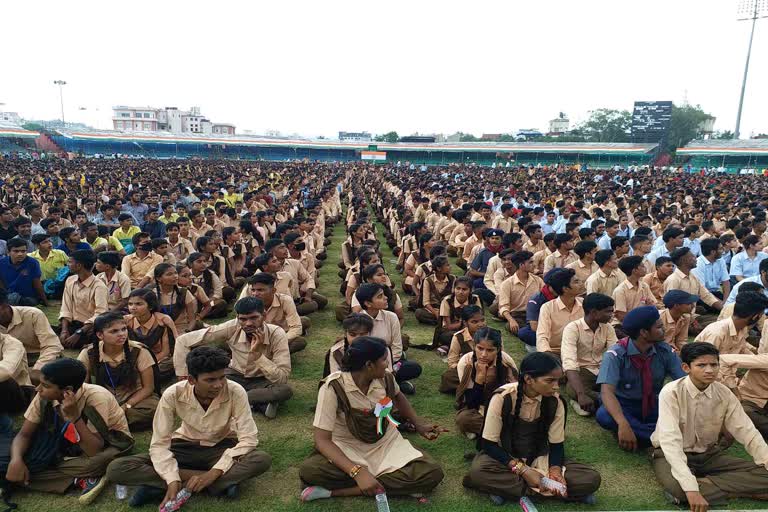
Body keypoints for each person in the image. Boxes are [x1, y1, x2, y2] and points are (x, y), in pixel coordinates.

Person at [106, 346, 272, 507]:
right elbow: (159, 444)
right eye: (210, 380)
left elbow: (248, 439)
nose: (219, 385)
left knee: (260, 459)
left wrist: (214, 472)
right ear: (192, 380)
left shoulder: (235, 391)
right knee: (117, 468)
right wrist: (172, 479)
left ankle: (157, 488)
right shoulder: (173, 394)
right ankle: (219, 485)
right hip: (184, 446)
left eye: (222, 377)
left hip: (221, 447)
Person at [299, 336, 445, 502]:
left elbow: (399, 397)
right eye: (384, 360)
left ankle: (338, 492)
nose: (388, 365)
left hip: (385, 445)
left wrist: (418, 424)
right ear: (369, 365)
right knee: (310, 471)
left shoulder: (386, 378)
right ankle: (396, 484)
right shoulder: (333, 387)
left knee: (432, 472)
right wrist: (357, 471)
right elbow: (322, 440)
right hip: (348, 448)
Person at [463, 352, 602, 505]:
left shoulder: (556, 402)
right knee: (479, 472)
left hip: (540, 458)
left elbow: (556, 445)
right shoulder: (503, 397)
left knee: (590, 478)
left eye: (558, 381)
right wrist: (523, 470)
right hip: (506, 460)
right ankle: (564, 493)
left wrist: (555, 470)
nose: (556, 387)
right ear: (528, 379)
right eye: (550, 381)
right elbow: (489, 445)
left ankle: (505, 491)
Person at [651, 342, 768, 510]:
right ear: (686, 367)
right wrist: (691, 489)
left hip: (709, 455)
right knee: (681, 490)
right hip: (669, 454)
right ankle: (704, 488)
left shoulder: (724, 393)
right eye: (701, 365)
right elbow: (671, 442)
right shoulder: (671, 392)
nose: (709, 370)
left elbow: (747, 431)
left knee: (765, 473)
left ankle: (706, 485)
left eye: (714, 364)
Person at [2, 358, 133, 503]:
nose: (38, 389)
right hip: (63, 443)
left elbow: (94, 450)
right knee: (15, 460)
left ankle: (71, 475)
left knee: (95, 463)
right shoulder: (43, 396)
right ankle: (79, 479)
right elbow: (24, 434)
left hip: (110, 442)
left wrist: (75, 417)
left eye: (45, 385)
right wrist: (16, 460)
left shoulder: (96, 397)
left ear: (67, 390)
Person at [174, 297, 293, 419]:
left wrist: (257, 355)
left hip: (262, 380)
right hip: (234, 375)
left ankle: (230, 399)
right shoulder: (232, 327)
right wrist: (182, 376)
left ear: (264, 315)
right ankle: (258, 404)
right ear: (237, 318)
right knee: (205, 383)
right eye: (243, 319)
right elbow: (183, 340)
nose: (248, 324)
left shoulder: (277, 334)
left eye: (254, 318)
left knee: (284, 390)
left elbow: (281, 378)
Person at [596, 306, 685, 450]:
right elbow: (607, 392)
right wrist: (623, 424)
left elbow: (683, 382)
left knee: (681, 413)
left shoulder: (665, 350)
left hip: (654, 402)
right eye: (659, 327)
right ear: (644, 332)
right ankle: (658, 437)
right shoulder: (615, 355)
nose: (664, 330)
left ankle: (645, 436)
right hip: (626, 405)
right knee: (604, 415)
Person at [77, 311, 159, 431]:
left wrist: (126, 406)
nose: (122, 334)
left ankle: (107, 422)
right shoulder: (88, 353)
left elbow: (148, 388)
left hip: (133, 400)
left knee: (154, 407)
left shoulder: (139, 351)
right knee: (80, 407)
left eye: (124, 329)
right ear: (100, 335)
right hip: (102, 400)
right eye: (114, 331)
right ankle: (113, 421)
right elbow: (82, 386)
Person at [694, 291, 768, 391]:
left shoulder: (742, 328)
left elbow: (742, 349)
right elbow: (705, 366)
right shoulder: (717, 333)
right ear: (755, 317)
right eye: (761, 315)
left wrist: (757, 360)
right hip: (708, 381)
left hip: (727, 376)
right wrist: (732, 386)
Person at [356, 283, 421, 394]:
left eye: (384, 294)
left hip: (388, 362)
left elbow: (397, 348)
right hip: (367, 365)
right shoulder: (358, 321)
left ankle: (391, 381)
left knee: (414, 368)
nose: (386, 298)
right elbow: (358, 352)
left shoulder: (391, 317)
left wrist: (386, 366)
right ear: (368, 303)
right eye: (380, 296)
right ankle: (392, 385)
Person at [455, 327, 518, 438]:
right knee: (464, 419)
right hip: (478, 408)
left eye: (490, 350)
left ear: (498, 350)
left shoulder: (506, 362)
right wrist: (479, 378)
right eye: (480, 348)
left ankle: (492, 431)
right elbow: (471, 403)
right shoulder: (465, 363)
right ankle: (501, 433)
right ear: (474, 346)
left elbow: (515, 393)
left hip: (501, 407)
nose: (484, 354)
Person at [562, 293, 617, 417]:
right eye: (608, 312)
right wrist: (581, 394)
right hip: (582, 371)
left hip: (602, 369)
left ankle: (599, 400)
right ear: (594, 312)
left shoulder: (608, 328)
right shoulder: (572, 328)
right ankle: (601, 399)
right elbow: (569, 363)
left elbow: (614, 355)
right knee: (572, 388)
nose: (611, 315)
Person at [0, 288, 61, 381]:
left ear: (5, 306)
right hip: (9, 361)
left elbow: (52, 345)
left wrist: (38, 369)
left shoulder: (33, 314)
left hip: (37, 357)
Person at [244, 272, 308, 354]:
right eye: (253, 290)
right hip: (256, 338)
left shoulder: (285, 300)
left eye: (260, 290)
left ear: (273, 290)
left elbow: (296, 328)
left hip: (278, 337)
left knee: (300, 341)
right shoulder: (248, 303)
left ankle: (270, 354)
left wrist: (278, 341)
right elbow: (241, 327)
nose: (255, 294)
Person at [58, 249, 108, 349]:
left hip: (88, 328)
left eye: (70, 262)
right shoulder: (70, 280)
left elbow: (100, 313)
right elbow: (65, 307)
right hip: (72, 325)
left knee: (80, 342)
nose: (68, 264)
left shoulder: (99, 286)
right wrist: (64, 330)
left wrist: (79, 333)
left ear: (79, 265)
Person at [124, 288, 177, 380]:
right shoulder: (126, 321)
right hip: (135, 359)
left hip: (159, 359)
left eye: (139, 304)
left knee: (171, 363)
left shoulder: (163, 321)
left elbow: (166, 351)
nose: (133, 307)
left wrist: (147, 364)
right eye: (130, 304)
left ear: (151, 306)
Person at [536, 268, 585, 357]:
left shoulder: (584, 304)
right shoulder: (548, 307)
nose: (581, 284)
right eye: (576, 282)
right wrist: (547, 354)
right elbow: (542, 336)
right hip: (557, 352)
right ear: (565, 289)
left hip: (580, 352)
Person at [439, 305, 486, 394]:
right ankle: (479, 388)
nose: (480, 324)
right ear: (465, 323)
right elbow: (452, 362)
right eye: (474, 322)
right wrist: (467, 368)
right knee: (448, 377)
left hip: (489, 369)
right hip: (467, 371)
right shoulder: (458, 337)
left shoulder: (492, 335)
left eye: (482, 320)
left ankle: (470, 388)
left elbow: (501, 356)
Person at [323, 313, 374, 380]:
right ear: (345, 333)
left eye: (363, 334)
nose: (357, 339)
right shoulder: (337, 352)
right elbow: (335, 379)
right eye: (352, 335)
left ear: (370, 333)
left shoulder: (381, 349)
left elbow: (386, 376)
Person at [0, 238, 47, 306]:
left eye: (23, 251)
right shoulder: (1, 263)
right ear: (8, 252)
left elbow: (37, 284)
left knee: (27, 301)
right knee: (10, 298)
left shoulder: (32, 263)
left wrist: (45, 302)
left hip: (28, 297)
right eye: (16, 251)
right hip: (7, 295)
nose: (20, 254)